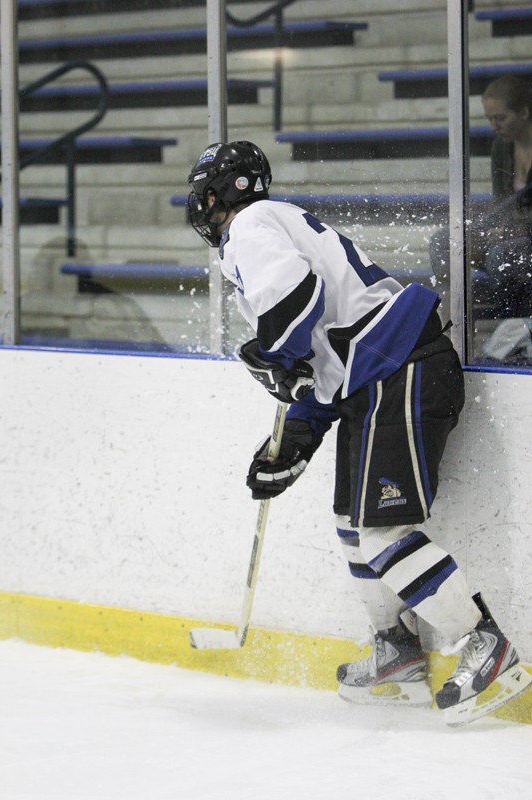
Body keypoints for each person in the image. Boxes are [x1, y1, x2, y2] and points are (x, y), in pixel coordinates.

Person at [187, 140, 531, 725]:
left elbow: (298, 301)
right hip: (381, 378)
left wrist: (274, 352)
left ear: (217, 195)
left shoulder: (251, 225)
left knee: (380, 532)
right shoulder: (273, 224)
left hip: (400, 372)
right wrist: (294, 438)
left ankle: (485, 645)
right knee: (354, 525)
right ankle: (397, 652)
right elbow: (326, 356)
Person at [430, 76, 532, 319]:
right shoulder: (502, 147)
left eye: (500, 118)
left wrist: (515, 230)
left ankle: (513, 327)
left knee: (503, 255)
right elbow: (502, 201)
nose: (494, 125)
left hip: (525, 237)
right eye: (489, 119)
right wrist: (496, 226)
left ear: (525, 112)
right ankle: (458, 321)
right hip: (512, 232)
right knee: (444, 241)